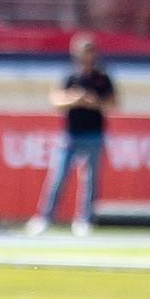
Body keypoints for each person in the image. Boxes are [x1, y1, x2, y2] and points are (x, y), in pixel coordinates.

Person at [27, 34, 117, 236]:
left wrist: (92, 102)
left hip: (94, 133)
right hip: (70, 134)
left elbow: (112, 103)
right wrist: (75, 100)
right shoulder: (70, 76)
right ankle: (44, 217)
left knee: (90, 180)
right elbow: (56, 100)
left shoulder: (102, 77)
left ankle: (84, 220)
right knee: (58, 177)